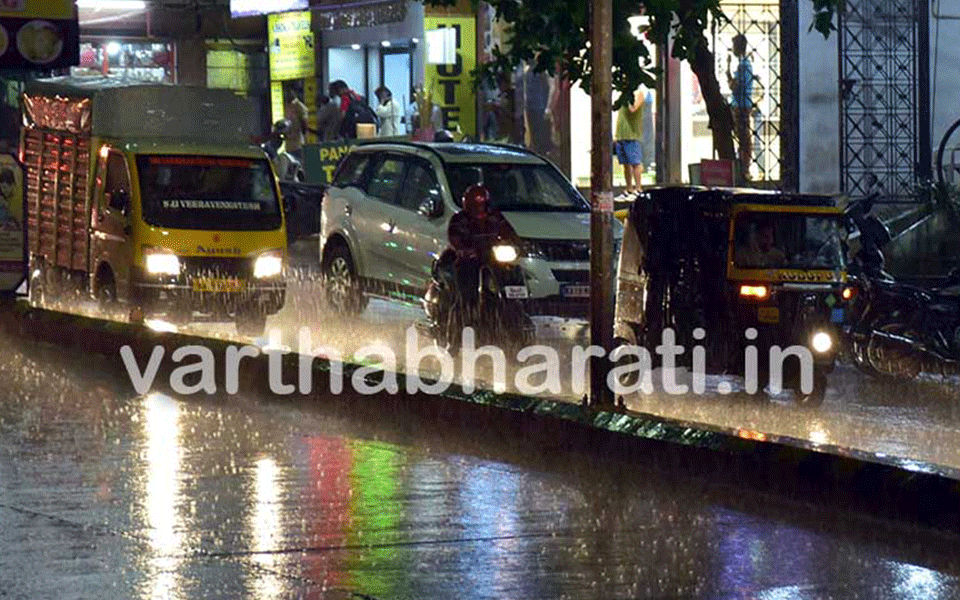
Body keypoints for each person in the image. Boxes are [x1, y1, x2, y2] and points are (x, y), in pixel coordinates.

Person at [446, 184, 516, 305]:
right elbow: (454, 237)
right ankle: (464, 308)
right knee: (467, 276)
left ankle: (517, 303)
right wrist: (463, 249)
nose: (479, 209)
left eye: (482, 205)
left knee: (513, 271)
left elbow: (508, 232)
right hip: (470, 258)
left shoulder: (495, 217)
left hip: (491, 256)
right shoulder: (460, 219)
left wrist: (519, 245)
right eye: (476, 206)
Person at [727, 34, 754, 181]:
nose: (732, 49)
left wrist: (728, 74)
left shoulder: (743, 65)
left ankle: (744, 169)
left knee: (743, 137)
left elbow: (734, 87)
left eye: (733, 46)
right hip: (743, 104)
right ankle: (743, 167)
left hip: (741, 105)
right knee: (743, 136)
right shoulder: (745, 64)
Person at [614, 89, 646, 200]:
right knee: (625, 164)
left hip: (632, 135)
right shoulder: (623, 94)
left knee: (635, 163)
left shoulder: (638, 93)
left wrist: (626, 97)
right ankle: (629, 189)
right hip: (621, 135)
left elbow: (633, 108)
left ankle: (638, 189)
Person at [283, 85, 308, 160]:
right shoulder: (287, 106)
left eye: (290, 92)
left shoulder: (300, 107)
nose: (287, 94)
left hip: (297, 143)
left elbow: (304, 124)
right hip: (288, 143)